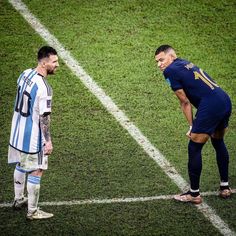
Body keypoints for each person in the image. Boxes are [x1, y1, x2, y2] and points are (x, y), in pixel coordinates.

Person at [155, 45, 232, 204]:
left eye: (162, 60)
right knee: (218, 142)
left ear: (172, 56)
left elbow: (184, 102)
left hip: (210, 105)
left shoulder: (170, 71)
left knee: (194, 147)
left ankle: (194, 194)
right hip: (224, 99)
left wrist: (192, 126)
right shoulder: (184, 63)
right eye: (157, 62)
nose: (159, 64)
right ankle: (225, 187)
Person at [8, 46, 59, 219]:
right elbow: (44, 118)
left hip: (17, 132)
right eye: (54, 62)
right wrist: (48, 141)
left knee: (22, 164)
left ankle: (18, 199)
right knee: (37, 170)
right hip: (31, 138)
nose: (57, 65)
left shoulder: (25, 73)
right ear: (44, 63)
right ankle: (32, 211)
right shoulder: (44, 88)